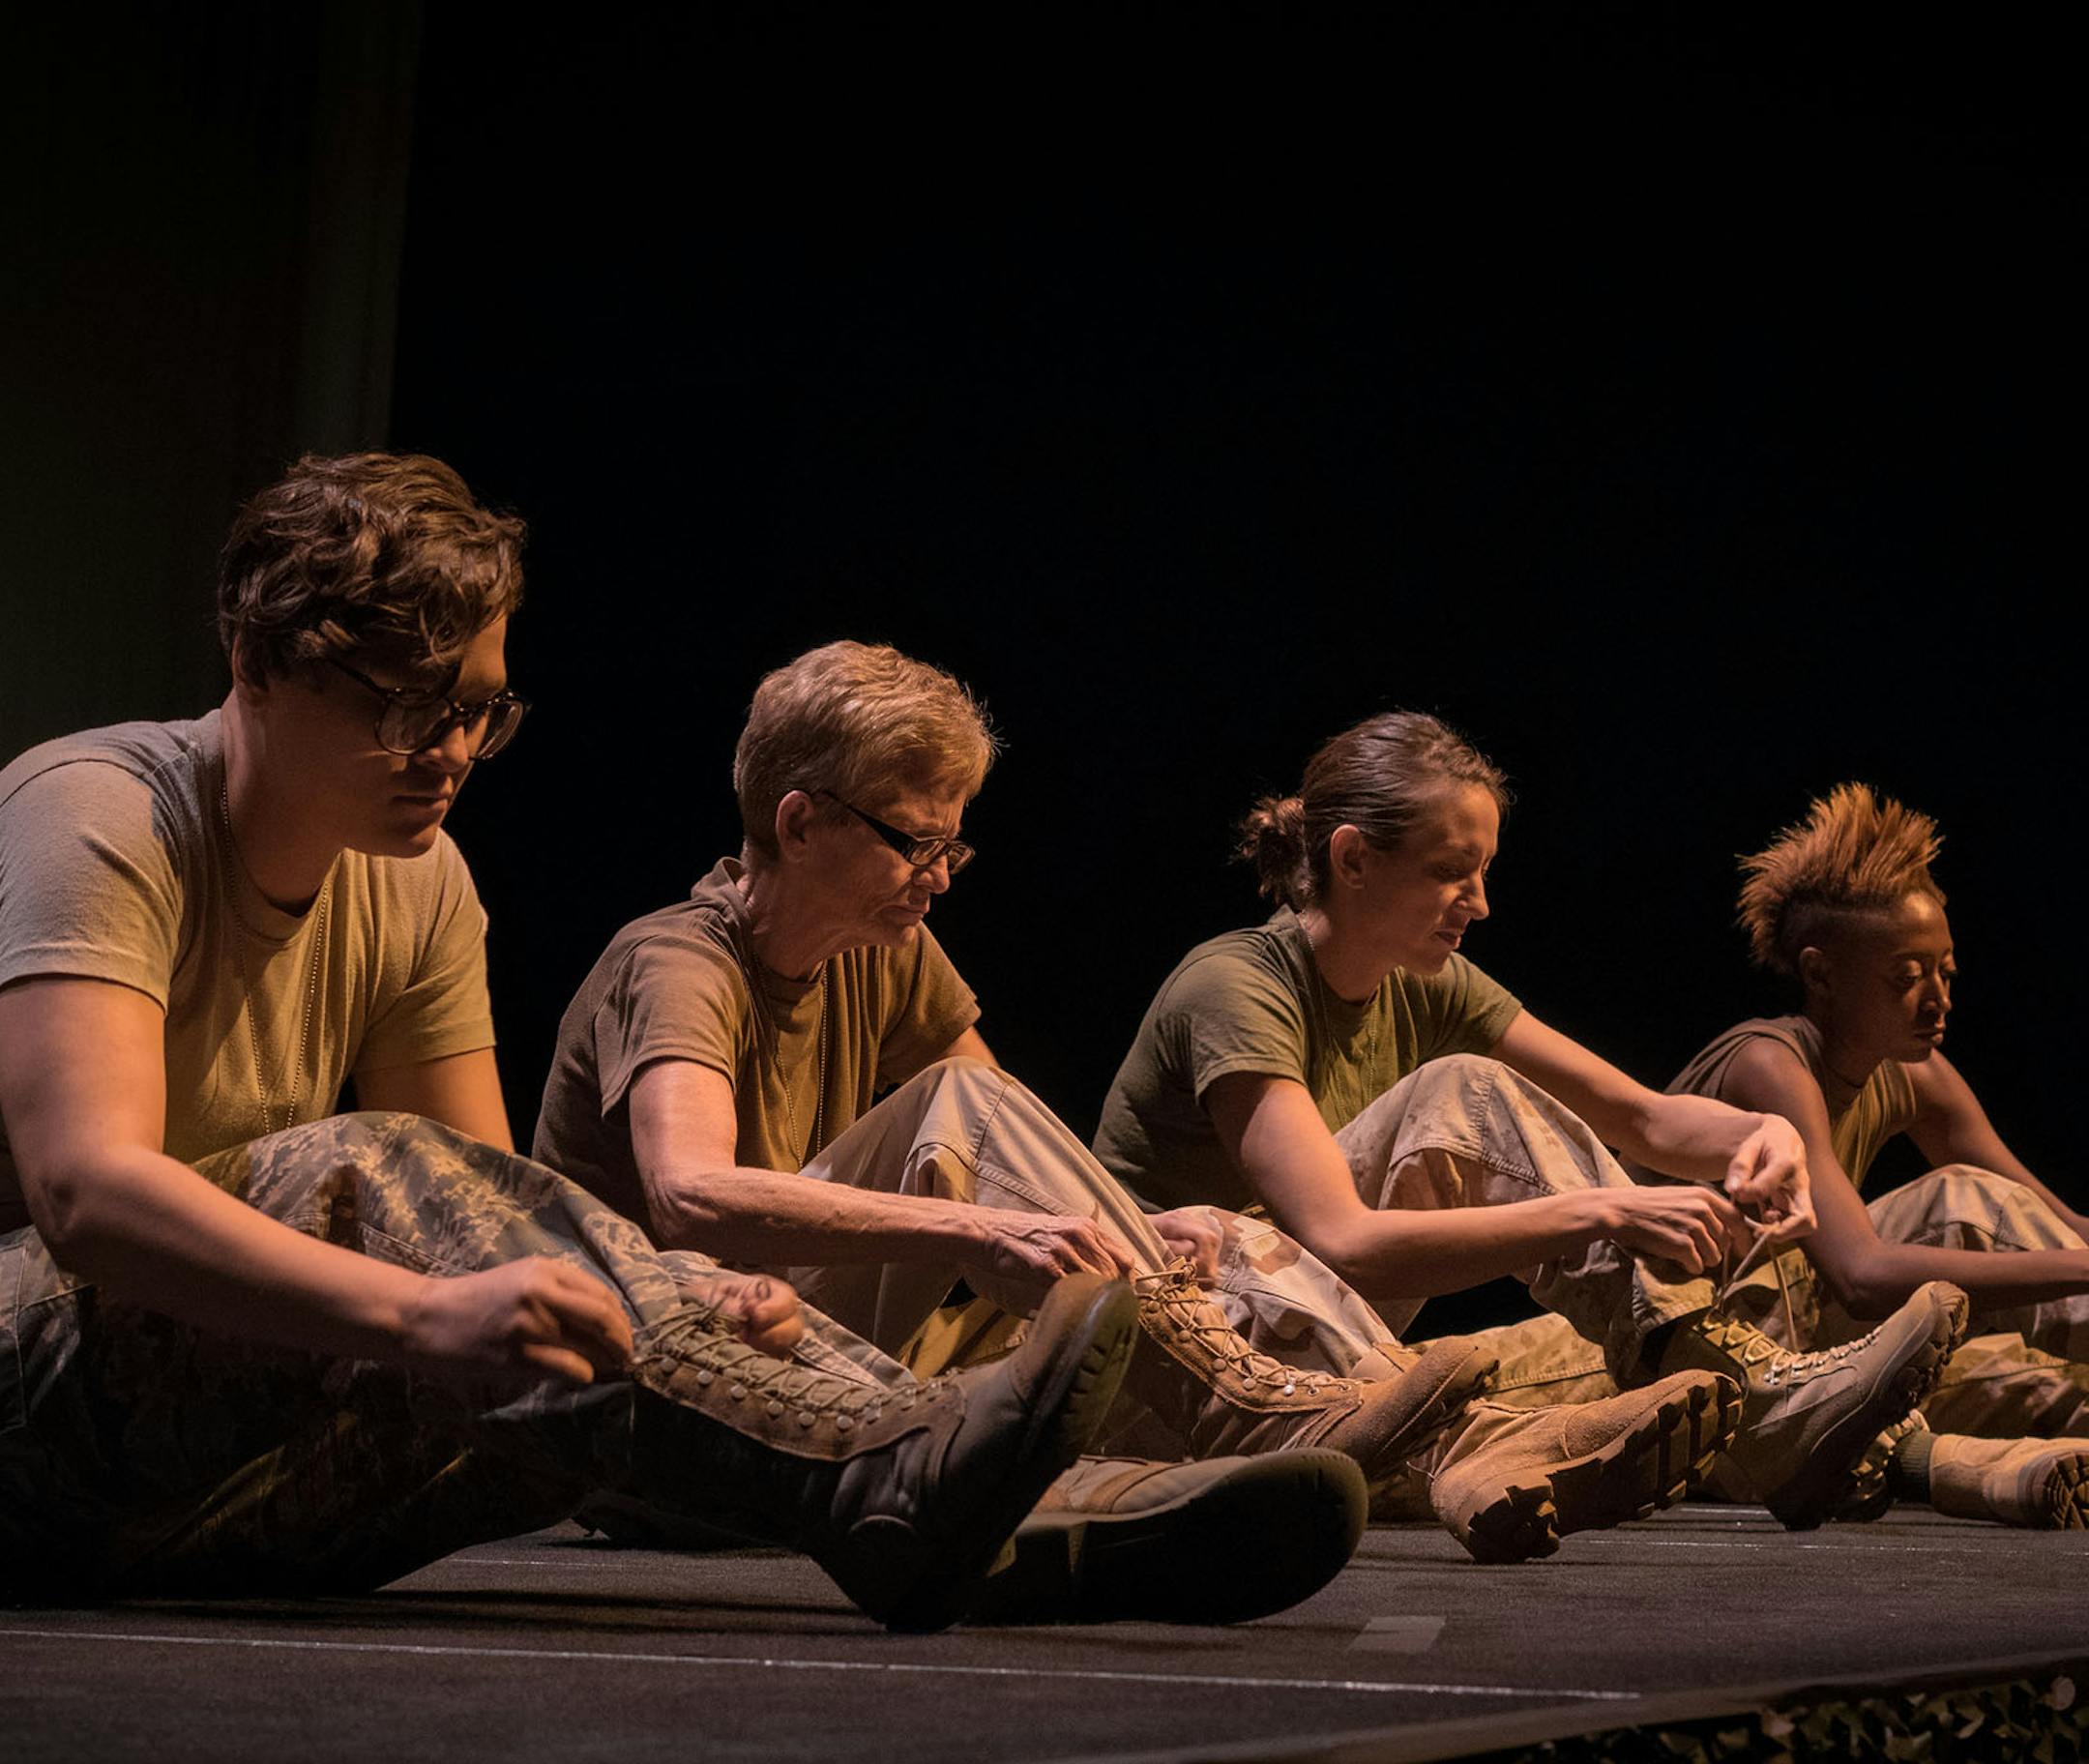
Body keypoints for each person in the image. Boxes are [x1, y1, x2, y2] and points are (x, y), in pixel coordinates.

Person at [0, 455, 1133, 1633]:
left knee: (551, 1345)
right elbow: (87, 1193)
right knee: (358, 1171)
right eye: (403, 703)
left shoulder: (424, 878)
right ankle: (905, 1472)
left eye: (478, 708)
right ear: (257, 662)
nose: (447, 750)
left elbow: (493, 1206)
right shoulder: (99, 811)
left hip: (175, 1491)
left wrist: (677, 1297)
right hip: (28, 1419)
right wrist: (417, 1316)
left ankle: (1036, 1514)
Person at [536, 642, 1723, 1575]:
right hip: (672, 1401)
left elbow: (1015, 1136)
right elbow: (690, 1191)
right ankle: (1346, 1420)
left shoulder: (887, 950)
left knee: (1204, 1219)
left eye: (957, 843)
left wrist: (1135, 1229)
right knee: (970, 1111)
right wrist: (984, 1231)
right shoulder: (680, 958)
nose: (942, 874)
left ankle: (1477, 1434)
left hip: (825, 1369)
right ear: (800, 821)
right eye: (915, 840)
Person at [1090, 712, 1964, 1548]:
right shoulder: (1236, 986)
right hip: (1167, 1381)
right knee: (1463, 1091)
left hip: (1316, 1357)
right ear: (1354, 859)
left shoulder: (1426, 980)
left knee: (1602, 1372)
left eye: (1482, 870)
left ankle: (1768, 1403)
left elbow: (1644, 1116)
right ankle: (1743, 1412)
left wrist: (1763, 1133)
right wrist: (1603, 1215)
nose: (1478, 900)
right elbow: (1343, 1239)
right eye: (1450, 871)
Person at [1660, 783, 2086, 1528]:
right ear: (1821, 973)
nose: (1936, 998)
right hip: (1698, 1360)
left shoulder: (1912, 1070)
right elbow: (1860, 1276)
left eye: (1945, 971)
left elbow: (2053, 1223)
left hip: (1827, 1361)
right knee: (1961, 1201)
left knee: (2052, 1387)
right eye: (1907, 976)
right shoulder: (1768, 1063)